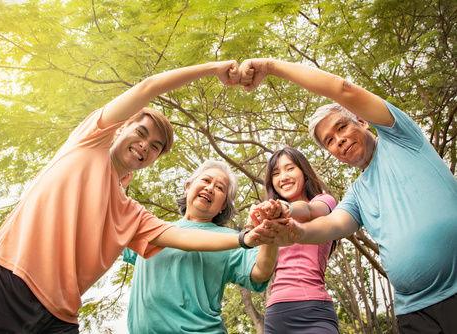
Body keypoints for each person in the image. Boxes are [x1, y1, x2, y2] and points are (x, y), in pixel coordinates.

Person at [0, 61, 276, 334]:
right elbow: (150, 87)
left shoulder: (131, 215)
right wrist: (212, 69)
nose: (145, 146)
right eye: (141, 133)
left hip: (59, 316)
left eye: (155, 147)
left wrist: (246, 239)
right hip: (4, 280)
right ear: (121, 128)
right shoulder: (88, 141)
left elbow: (184, 237)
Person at [239, 58, 457, 333]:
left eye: (341, 127)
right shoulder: (357, 192)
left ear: (363, 121)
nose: (338, 140)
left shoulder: (400, 137)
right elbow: (333, 225)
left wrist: (270, 67)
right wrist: (296, 233)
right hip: (413, 311)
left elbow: (342, 89)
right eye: (329, 140)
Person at [122, 160, 281, 333]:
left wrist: (270, 232)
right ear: (188, 187)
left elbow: (260, 272)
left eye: (220, 188)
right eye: (206, 180)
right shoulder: (151, 228)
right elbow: (107, 226)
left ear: (223, 206)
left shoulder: (231, 239)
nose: (210, 188)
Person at [249, 146, 339, 333]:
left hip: (314, 310)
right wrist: (257, 226)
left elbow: (308, 210)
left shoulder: (324, 201)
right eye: (276, 173)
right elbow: (260, 266)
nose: (283, 177)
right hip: (276, 313)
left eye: (290, 168)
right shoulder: (272, 220)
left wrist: (286, 208)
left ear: (304, 172)